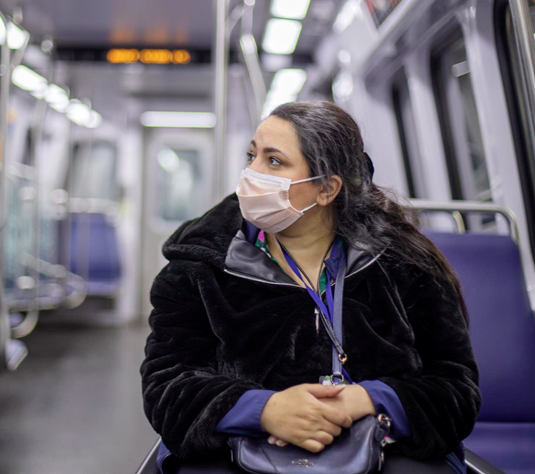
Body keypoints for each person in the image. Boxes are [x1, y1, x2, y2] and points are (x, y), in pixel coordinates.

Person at [140, 101, 480, 473]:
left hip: (381, 446)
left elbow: (455, 391)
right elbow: (166, 388)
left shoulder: (405, 266)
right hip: (239, 449)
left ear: (326, 189)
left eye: (273, 162)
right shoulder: (197, 267)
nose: (250, 174)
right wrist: (263, 409)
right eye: (252, 156)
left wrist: (367, 400)